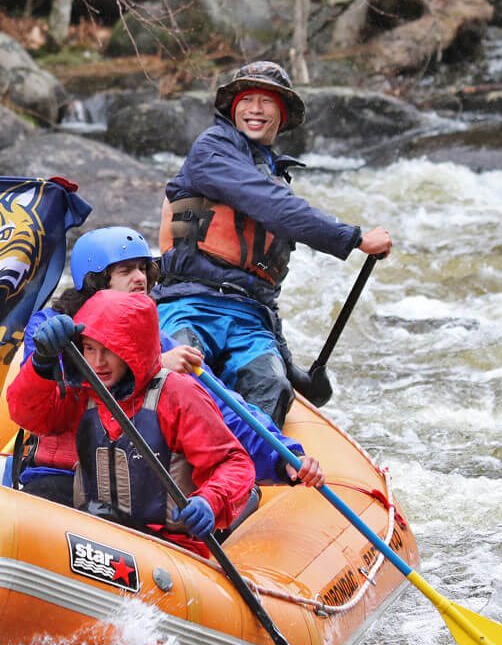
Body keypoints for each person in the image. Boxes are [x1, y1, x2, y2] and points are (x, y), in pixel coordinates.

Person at [13, 226, 323, 507]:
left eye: (142, 268)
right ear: (94, 280)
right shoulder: (51, 329)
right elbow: (45, 408)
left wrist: (283, 456)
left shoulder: (157, 341)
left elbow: (222, 409)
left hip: (131, 490)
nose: (141, 278)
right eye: (126, 270)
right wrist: (154, 366)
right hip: (62, 476)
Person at [155, 60, 392, 426]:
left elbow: (266, 291)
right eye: (247, 99)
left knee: (272, 386)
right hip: (188, 301)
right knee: (183, 376)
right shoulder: (212, 150)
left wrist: (294, 373)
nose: (254, 109)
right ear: (232, 108)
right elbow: (270, 204)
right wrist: (354, 238)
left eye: (266, 101)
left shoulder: (276, 177)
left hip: (250, 318)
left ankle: (248, 475)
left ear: (282, 114)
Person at [8, 289, 256, 557]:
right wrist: (41, 365)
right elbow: (28, 414)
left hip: (169, 547)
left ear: (132, 349)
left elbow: (232, 462)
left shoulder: (178, 394)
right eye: (89, 348)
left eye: (109, 351)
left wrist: (209, 501)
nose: (98, 362)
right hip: (96, 531)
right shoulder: (85, 393)